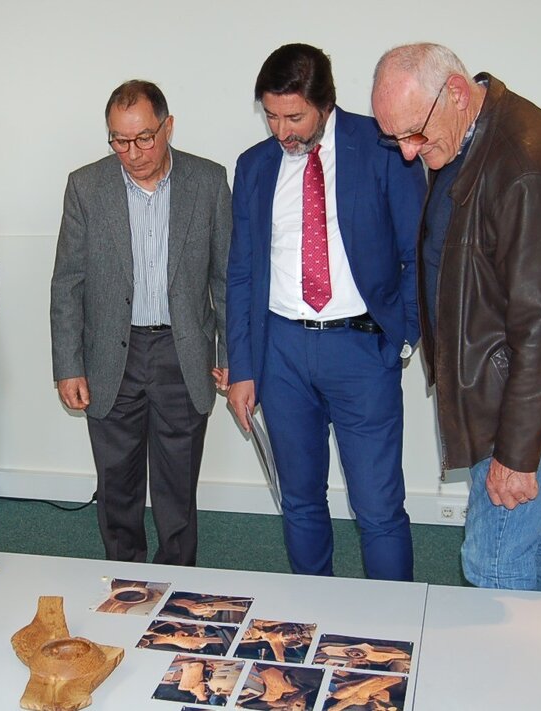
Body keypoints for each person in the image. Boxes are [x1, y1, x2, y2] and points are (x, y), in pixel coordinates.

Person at [371, 43, 541, 591]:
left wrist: (516, 453)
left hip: (512, 401)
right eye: (397, 138)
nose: (408, 153)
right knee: (540, 539)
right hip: (503, 387)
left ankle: (511, 677)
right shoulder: (465, 136)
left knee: (494, 562)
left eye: (414, 133)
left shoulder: (524, 167)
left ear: (455, 93)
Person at [226, 44, 426, 581]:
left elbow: (419, 251)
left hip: (362, 350)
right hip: (282, 352)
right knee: (301, 500)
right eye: (271, 115)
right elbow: (241, 272)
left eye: (294, 117)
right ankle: (311, 615)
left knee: (378, 508)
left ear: (325, 104)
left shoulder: (381, 148)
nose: (282, 130)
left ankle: (394, 624)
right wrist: (243, 367)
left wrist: (401, 339)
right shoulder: (253, 167)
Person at [50, 80, 231, 566]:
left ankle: (178, 583)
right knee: (117, 485)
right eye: (119, 140)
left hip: (183, 352)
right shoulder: (86, 186)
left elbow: (226, 278)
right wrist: (68, 365)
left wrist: (231, 355)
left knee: (177, 487)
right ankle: (124, 582)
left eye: (145, 138)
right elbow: (68, 281)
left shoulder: (209, 181)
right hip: (112, 355)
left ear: (168, 127)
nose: (132, 153)